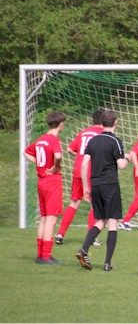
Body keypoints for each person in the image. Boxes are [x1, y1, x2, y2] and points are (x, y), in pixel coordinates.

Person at [75, 110, 130, 272]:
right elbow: (121, 165)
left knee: (100, 221)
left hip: (95, 184)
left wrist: (86, 187)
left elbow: (84, 165)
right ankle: (107, 264)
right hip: (110, 184)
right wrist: (127, 157)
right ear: (116, 122)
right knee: (112, 222)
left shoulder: (92, 141)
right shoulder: (115, 141)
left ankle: (83, 250)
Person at [24, 111, 67, 264]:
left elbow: (26, 152)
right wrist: (55, 167)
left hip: (41, 181)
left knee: (43, 218)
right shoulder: (54, 140)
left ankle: (40, 255)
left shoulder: (41, 139)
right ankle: (47, 256)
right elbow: (58, 156)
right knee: (51, 219)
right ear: (60, 124)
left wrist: (39, 163)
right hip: (52, 181)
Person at [56, 109, 104, 247]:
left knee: (74, 202)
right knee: (95, 204)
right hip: (91, 171)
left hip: (78, 170)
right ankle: (92, 237)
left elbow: (70, 149)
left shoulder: (84, 132)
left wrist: (80, 157)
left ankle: (60, 234)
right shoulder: (101, 133)